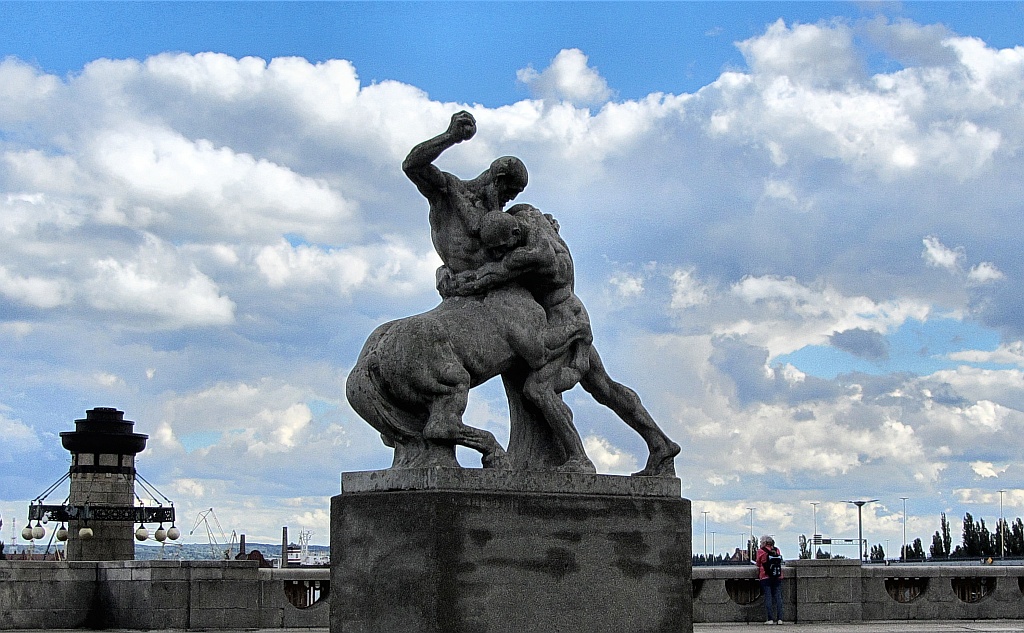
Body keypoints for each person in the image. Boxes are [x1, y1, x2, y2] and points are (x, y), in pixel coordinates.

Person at [755, 535, 784, 625]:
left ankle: (770, 619)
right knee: (778, 597)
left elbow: (758, 563)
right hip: (777, 576)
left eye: (761, 542)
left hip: (765, 576)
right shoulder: (777, 550)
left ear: (764, 543)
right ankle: (780, 619)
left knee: (768, 597)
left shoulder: (761, 551)